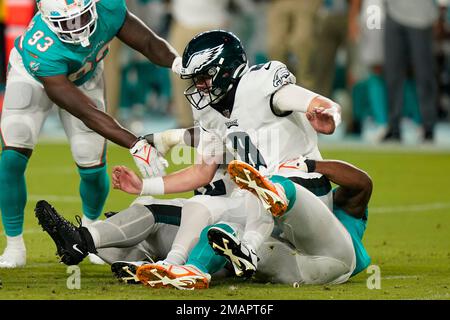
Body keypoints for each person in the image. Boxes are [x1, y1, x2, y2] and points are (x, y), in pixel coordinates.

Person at [0, 0, 181, 268]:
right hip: (32, 78)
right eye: (68, 23)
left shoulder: (107, 6)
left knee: (91, 164)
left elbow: (148, 43)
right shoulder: (42, 49)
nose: (79, 27)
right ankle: (14, 244)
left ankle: (90, 233)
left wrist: (179, 63)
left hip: (85, 75)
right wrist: (135, 144)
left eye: (83, 16)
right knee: (12, 156)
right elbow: (86, 112)